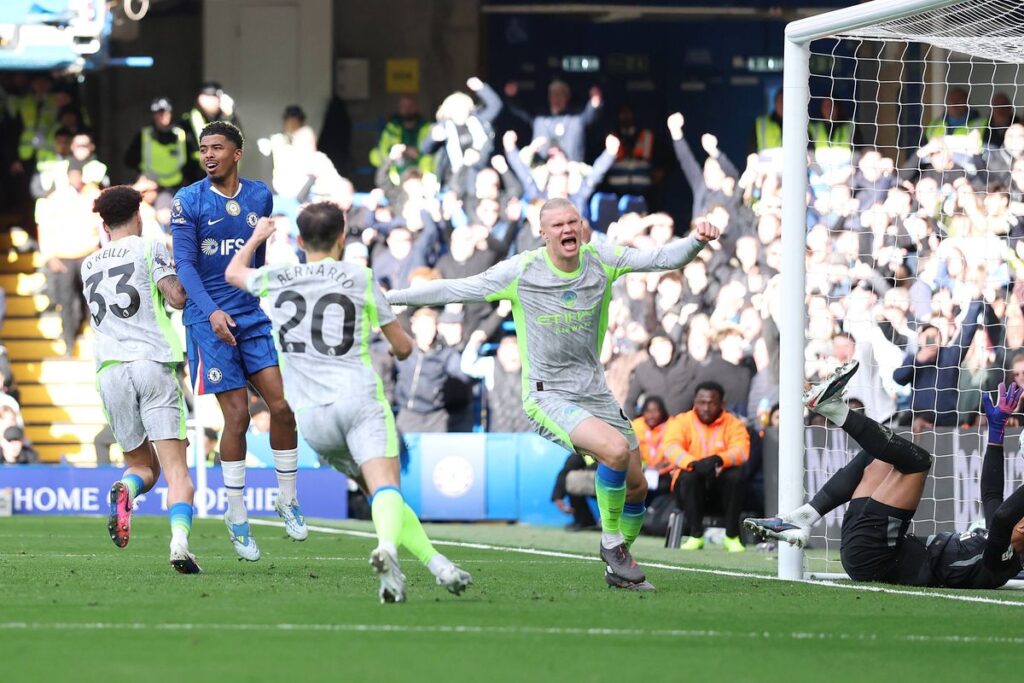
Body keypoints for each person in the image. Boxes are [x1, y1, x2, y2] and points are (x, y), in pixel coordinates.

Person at [386, 197, 719, 591]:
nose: (567, 230)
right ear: (543, 235)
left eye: (572, 222)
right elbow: (457, 287)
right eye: (557, 225)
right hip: (548, 394)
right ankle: (611, 544)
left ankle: (619, 565)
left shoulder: (602, 260)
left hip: (595, 390)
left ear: (581, 227)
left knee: (637, 487)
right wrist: (392, 299)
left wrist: (697, 240)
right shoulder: (522, 271)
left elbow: (663, 257)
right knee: (612, 450)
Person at [225, 201, 471, 602]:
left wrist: (256, 237)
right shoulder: (360, 276)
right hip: (357, 401)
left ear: (300, 240)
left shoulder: (278, 277)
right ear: (342, 238)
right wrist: (401, 341)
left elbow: (232, 273)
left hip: (313, 420)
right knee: (387, 488)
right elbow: (403, 348)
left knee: (379, 494)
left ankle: (436, 565)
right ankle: (387, 550)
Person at [746, 361, 1024, 589]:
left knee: (918, 461)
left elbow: (1001, 518)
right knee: (880, 454)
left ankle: (834, 409)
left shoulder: (1000, 562)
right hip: (873, 547)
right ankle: (805, 517)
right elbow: (991, 494)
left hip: (878, 556)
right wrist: (996, 433)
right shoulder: (997, 534)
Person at [171, 121, 305, 561]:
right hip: (205, 318)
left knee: (281, 408)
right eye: (203, 149)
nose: (208, 155)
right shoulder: (187, 200)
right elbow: (186, 268)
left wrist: (250, 296)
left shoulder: (259, 195)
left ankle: (287, 498)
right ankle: (236, 512)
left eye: (217, 148)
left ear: (237, 153)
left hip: (249, 314)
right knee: (238, 416)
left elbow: (256, 260)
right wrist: (211, 313)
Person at [83, 185, 200, 574]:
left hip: (110, 371)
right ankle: (180, 544)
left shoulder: (87, 264)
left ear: (104, 223)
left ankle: (126, 491)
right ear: (138, 214)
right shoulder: (149, 246)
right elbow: (177, 297)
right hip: (151, 362)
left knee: (141, 469)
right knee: (176, 472)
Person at [662, 381, 751, 552]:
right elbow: (670, 447)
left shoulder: (734, 423)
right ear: (694, 402)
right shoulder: (681, 421)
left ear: (722, 404)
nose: (706, 408)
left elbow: (741, 451)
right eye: (701, 402)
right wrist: (693, 463)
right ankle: (696, 536)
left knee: (737, 476)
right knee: (689, 476)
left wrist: (718, 459)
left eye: (711, 403)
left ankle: (732, 536)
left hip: (721, 491)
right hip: (689, 490)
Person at [124, 97, 199, 195]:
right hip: (151, 185)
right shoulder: (143, 135)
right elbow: (129, 160)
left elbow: (192, 163)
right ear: (153, 115)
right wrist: (142, 175)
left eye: (165, 112)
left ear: (171, 113)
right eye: (158, 113)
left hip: (177, 187)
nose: (162, 116)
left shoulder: (182, 135)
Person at [369, 94, 433, 185]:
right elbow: (383, 152)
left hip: (423, 178)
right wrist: (403, 151)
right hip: (396, 179)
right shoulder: (391, 129)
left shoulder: (426, 128)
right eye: (403, 106)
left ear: (417, 107)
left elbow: (431, 152)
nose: (407, 109)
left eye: (410, 106)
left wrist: (418, 153)